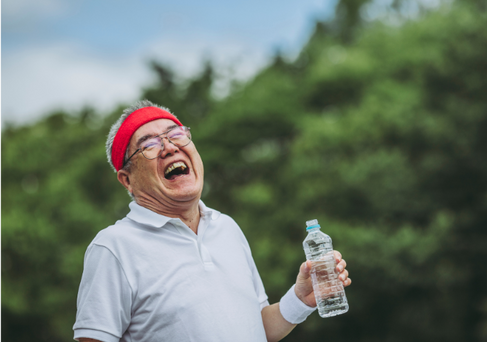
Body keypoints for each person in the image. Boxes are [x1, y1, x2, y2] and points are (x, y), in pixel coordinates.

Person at [73, 100, 351, 342]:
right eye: (149, 144)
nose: (169, 147)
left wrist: (301, 298)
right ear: (127, 180)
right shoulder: (113, 248)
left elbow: (257, 328)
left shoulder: (226, 227)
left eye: (176, 135)